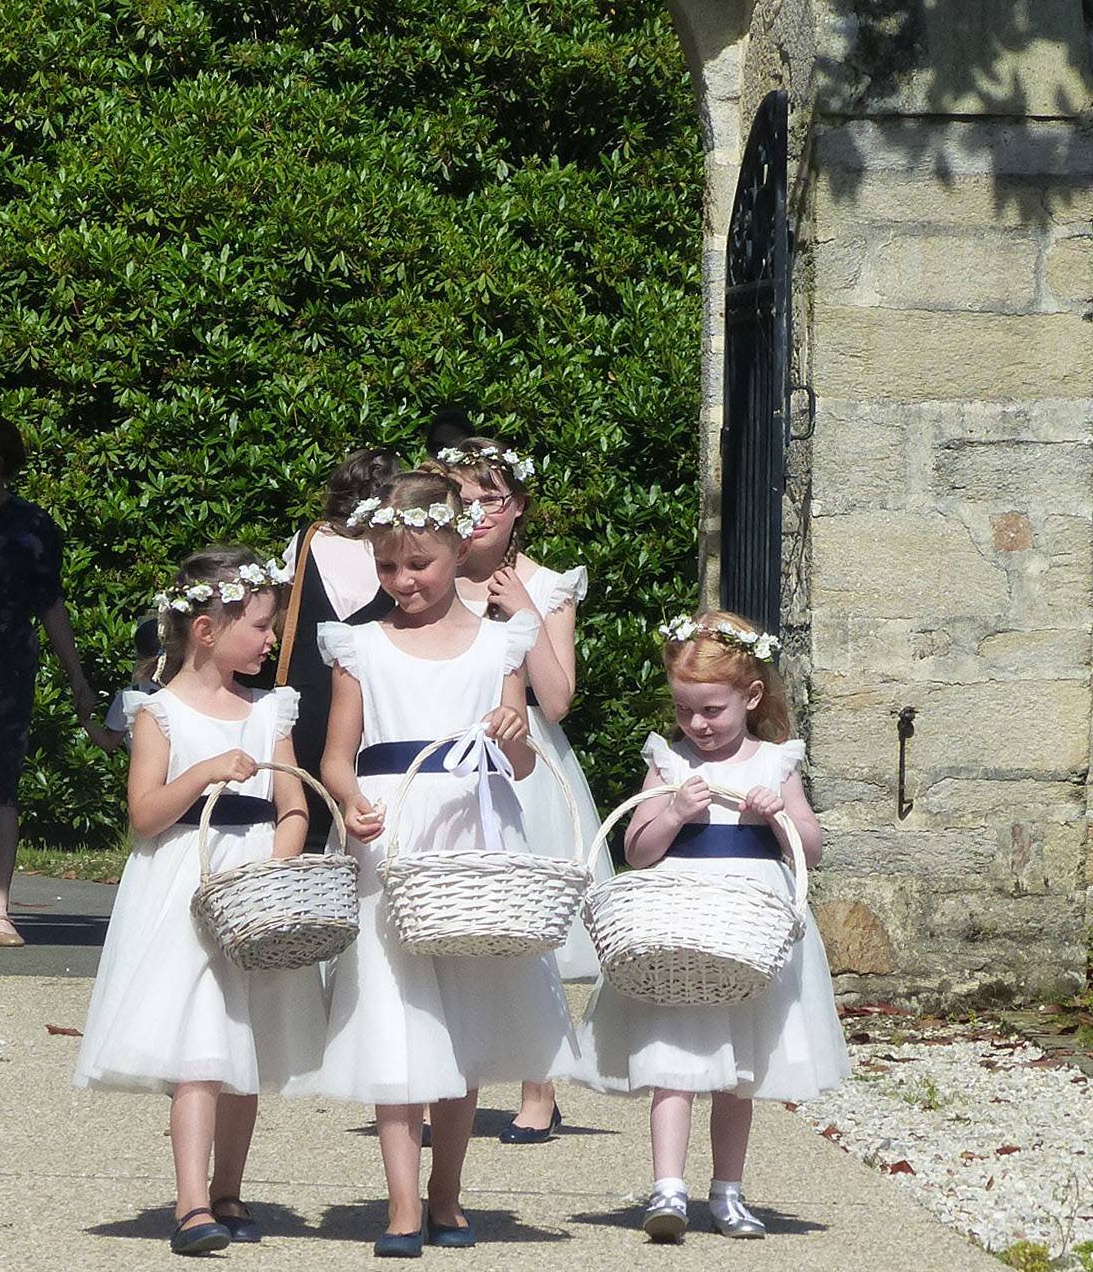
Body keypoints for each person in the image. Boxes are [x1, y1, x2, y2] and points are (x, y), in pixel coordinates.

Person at [296, 470, 574, 1255]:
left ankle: (447, 1190)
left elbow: (517, 761)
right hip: (393, 833)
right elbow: (337, 754)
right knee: (394, 1008)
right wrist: (348, 799)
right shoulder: (360, 646)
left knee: (465, 1012)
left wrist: (514, 739)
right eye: (387, 566)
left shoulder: (499, 642)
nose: (402, 580)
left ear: (456, 549)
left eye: (417, 564)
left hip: (472, 830)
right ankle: (401, 1204)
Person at [71, 547, 323, 1256]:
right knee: (201, 1048)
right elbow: (145, 814)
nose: (273, 640)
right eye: (263, 626)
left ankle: (230, 1186)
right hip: (188, 878)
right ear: (209, 630)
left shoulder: (270, 708)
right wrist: (206, 772)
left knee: (246, 1040)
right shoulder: (160, 712)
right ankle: (190, 1200)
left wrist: (277, 868)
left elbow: (295, 804)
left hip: (253, 887)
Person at [571, 612, 849, 1242]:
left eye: (712, 710)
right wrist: (670, 811)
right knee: (672, 1055)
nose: (697, 724)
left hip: (751, 926)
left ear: (751, 698)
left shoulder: (776, 762)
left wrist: (777, 817)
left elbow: (812, 847)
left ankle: (728, 1189)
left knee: (739, 1066)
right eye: (685, 709)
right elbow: (636, 849)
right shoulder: (668, 760)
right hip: (679, 927)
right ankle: (667, 1186)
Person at [434, 437, 614, 1144]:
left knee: (530, 927)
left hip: (524, 758)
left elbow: (559, 696)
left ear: (519, 508)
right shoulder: (432, 578)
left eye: (492, 498)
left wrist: (525, 614)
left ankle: (539, 1085)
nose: (477, 512)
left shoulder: (544, 584)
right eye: (465, 497)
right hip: (451, 759)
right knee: (452, 921)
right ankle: (450, 1076)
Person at [0, 415, 116, 949]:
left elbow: (50, 602)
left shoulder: (34, 525)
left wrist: (76, 675)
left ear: (5, 461)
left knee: (3, 786)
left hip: (9, 661)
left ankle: (0, 906)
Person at [270, 449, 400, 846]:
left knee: (302, 806)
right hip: (373, 695)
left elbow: (280, 613)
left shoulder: (306, 540)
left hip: (306, 688)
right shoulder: (396, 551)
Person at [105, 616, 162, 748]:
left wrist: (85, 720)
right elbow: (109, 742)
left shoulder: (130, 696)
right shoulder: (129, 697)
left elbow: (108, 742)